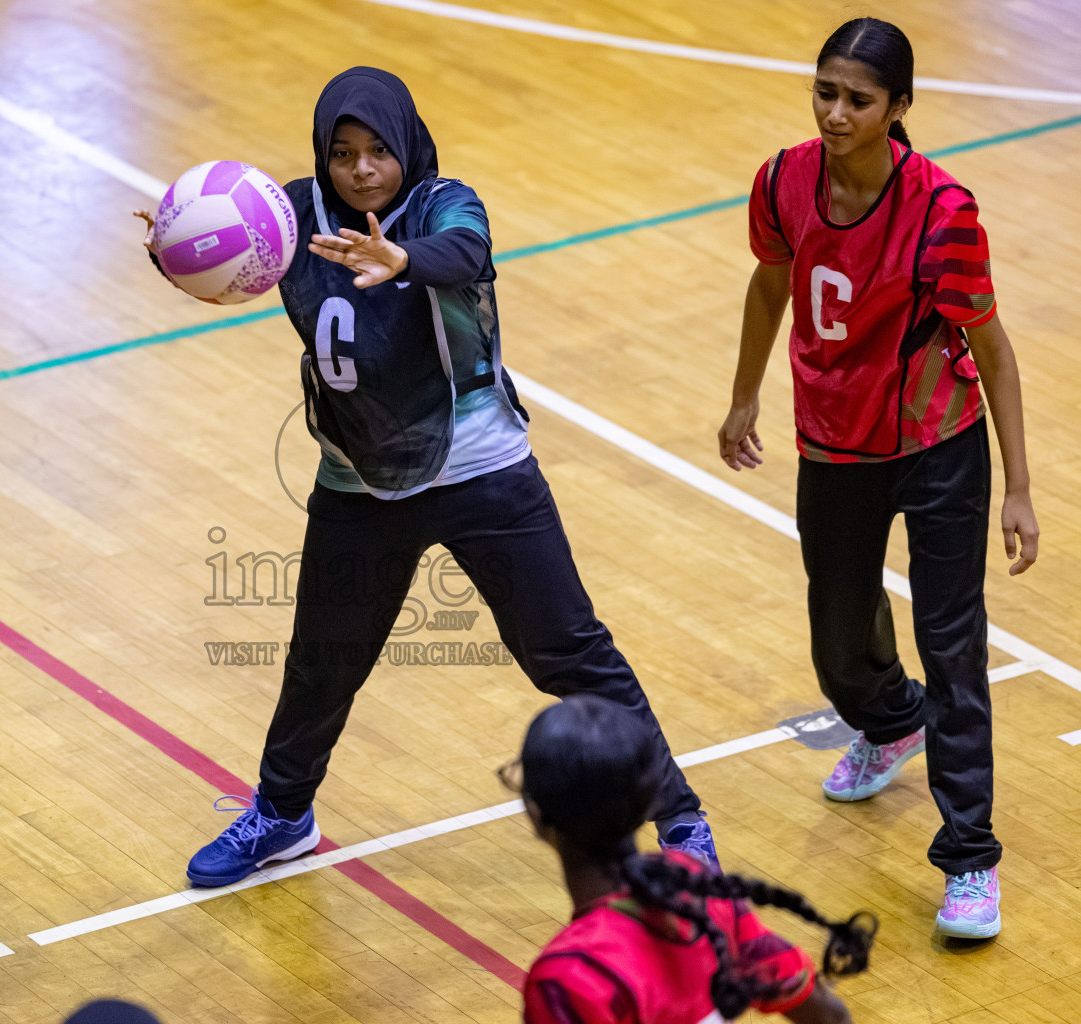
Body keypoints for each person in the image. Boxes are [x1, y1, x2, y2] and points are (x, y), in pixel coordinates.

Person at [138, 67, 716, 887]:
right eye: (343, 153)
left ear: (406, 145)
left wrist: (402, 257)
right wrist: (179, 249)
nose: (362, 169)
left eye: (378, 149)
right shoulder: (291, 213)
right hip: (358, 481)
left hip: (482, 470)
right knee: (322, 664)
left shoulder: (448, 204)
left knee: (570, 654)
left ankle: (681, 819)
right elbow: (232, 253)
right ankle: (283, 814)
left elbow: (466, 252)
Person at [716, 18, 1039, 939]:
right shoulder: (782, 182)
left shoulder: (943, 215)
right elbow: (770, 283)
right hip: (833, 446)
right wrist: (744, 394)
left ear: (899, 109)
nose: (835, 113)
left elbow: (993, 349)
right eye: (825, 92)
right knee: (838, 641)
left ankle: (970, 859)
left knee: (952, 647)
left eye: (858, 100)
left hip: (938, 449)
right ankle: (892, 720)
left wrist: (1018, 488)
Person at [516, 695, 875, 1024]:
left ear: (535, 812)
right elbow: (830, 1016)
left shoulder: (568, 979)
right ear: (647, 801)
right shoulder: (693, 886)